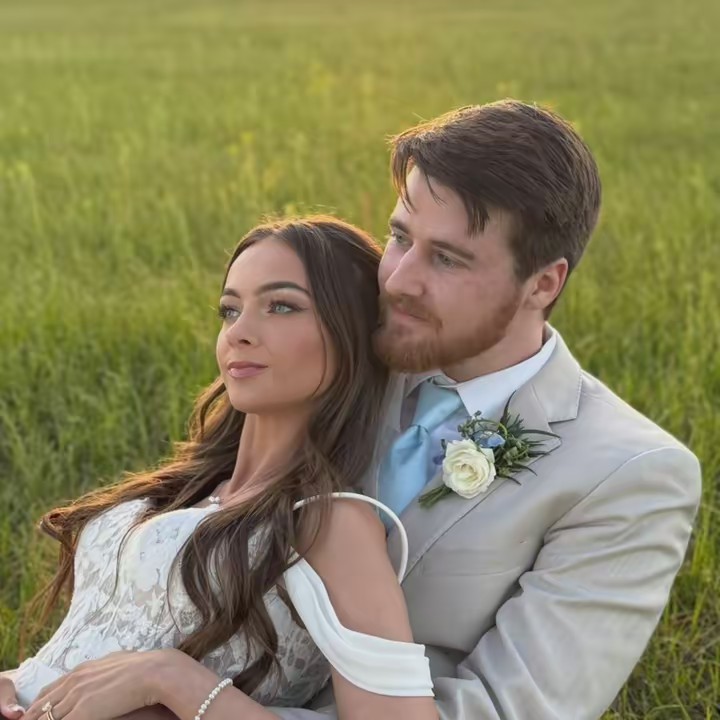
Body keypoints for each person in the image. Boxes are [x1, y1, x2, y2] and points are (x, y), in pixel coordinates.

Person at [266, 100, 702, 719]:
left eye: (447, 259)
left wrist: (195, 702)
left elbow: (506, 709)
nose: (398, 280)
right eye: (399, 237)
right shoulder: (335, 353)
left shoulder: (631, 476)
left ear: (543, 284)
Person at [0, 217, 438, 720]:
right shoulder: (193, 484)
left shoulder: (333, 522)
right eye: (231, 310)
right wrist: (13, 681)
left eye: (281, 306)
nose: (240, 334)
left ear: (351, 333)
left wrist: (170, 678)